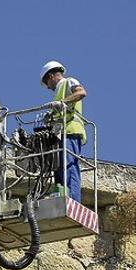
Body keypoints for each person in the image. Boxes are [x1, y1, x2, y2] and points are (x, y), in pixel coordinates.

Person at [40, 60, 87, 203]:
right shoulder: (58, 94)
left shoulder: (69, 82)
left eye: (47, 83)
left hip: (71, 131)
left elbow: (81, 93)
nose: (48, 88)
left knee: (69, 166)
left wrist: (61, 103)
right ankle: (61, 196)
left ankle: (72, 200)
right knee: (59, 167)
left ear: (51, 76)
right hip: (61, 134)